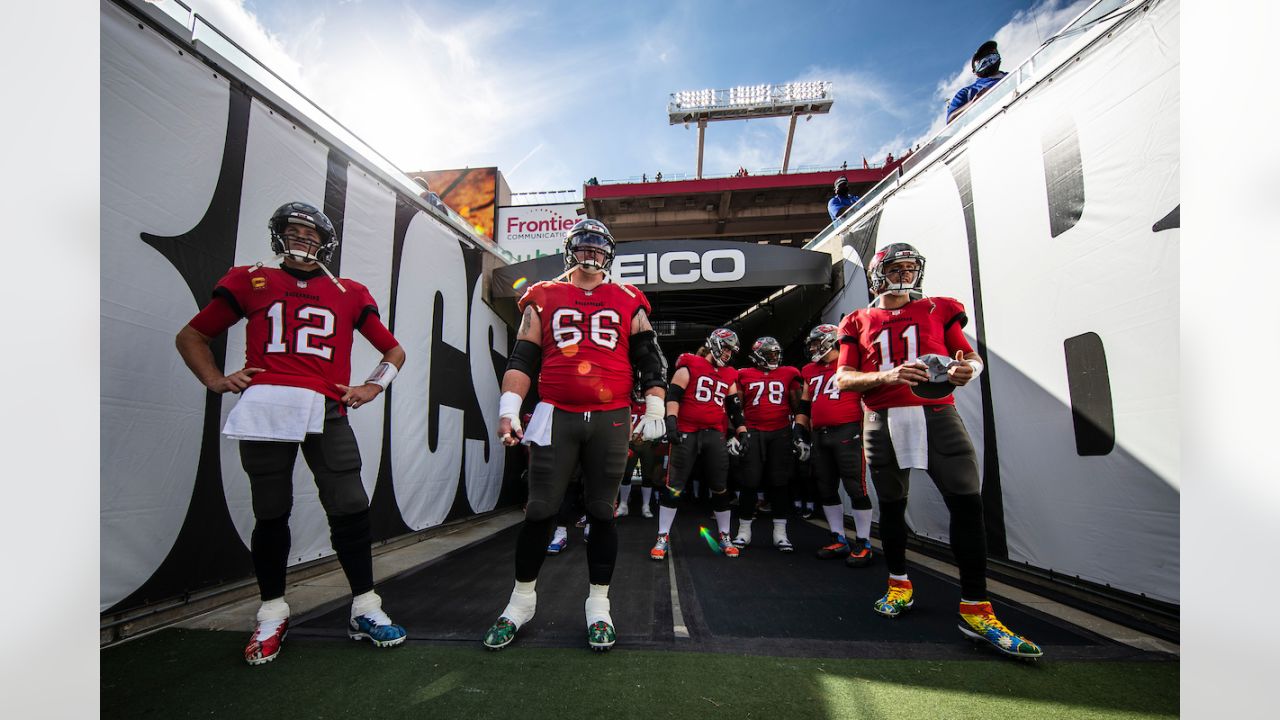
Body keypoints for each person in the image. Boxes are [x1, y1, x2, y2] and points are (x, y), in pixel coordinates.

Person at [175, 202, 408, 665]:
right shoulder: (250, 279)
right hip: (266, 406)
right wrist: (216, 379)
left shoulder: (349, 291)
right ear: (279, 234)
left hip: (326, 406)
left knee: (350, 504)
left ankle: (365, 606)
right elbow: (191, 336)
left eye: (311, 231)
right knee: (271, 510)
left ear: (326, 241)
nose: (303, 237)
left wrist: (372, 385)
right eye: (294, 229)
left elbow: (393, 350)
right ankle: (272, 611)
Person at [833, 242, 1043, 659]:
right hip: (883, 417)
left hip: (937, 414)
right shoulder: (857, 320)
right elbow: (843, 379)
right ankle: (898, 584)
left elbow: (969, 356)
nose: (906, 274)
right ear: (879, 273)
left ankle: (976, 608)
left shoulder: (939, 307)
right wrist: (890, 374)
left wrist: (970, 369)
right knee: (891, 507)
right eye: (897, 267)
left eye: (912, 268)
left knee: (967, 503)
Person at [485, 218, 669, 652]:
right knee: (540, 510)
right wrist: (509, 409)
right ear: (570, 252)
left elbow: (649, 357)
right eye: (583, 247)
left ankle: (599, 606)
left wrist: (657, 404)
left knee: (603, 510)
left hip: (611, 415)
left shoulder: (627, 297)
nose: (591, 255)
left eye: (598, 248)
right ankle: (520, 602)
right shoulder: (544, 294)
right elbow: (523, 357)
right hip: (555, 412)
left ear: (609, 254)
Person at [651, 329, 747, 561]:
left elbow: (733, 407)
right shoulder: (690, 364)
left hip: (714, 433)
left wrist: (742, 430)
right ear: (714, 344)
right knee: (674, 485)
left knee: (719, 485)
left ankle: (725, 536)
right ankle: (662, 536)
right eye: (725, 348)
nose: (727, 354)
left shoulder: (729, 374)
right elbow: (673, 396)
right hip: (688, 431)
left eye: (730, 350)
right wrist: (671, 422)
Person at [793, 324, 874, 567]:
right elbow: (805, 404)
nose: (813, 348)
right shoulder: (809, 370)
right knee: (825, 487)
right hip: (820, 433)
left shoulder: (852, 364)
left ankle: (863, 542)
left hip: (848, 431)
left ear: (830, 341)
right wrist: (799, 431)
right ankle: (838, 537)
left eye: (817, 343)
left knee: (854, 486)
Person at [733, 337, 803, 551]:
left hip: (780, 432)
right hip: (753, 431)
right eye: (770, 354)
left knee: (779, 482)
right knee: (749, 481)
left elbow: (798, 404)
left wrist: (800, 433)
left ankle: (780, 533)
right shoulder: (743, 374)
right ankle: (744, 531)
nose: (774, 357)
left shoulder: (790, 373)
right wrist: (737, 431)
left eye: (775, 353)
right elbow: (736, 406)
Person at [622, 389, 665, 519]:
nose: (640, 394)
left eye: (642, 392)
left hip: (647, 443)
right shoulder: (628, 404)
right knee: (626, 474)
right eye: (638, 392)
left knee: (648, 476)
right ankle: (623, 505)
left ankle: (646, 506)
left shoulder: (651, 407)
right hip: (630, 443)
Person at [946, 40, 1009, 124]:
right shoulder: (967, 92)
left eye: (992, 52)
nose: (989, 56)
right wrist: (973, 103)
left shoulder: (1015, 74)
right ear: (975, 71)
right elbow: (950, 119)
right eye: (982, 56)